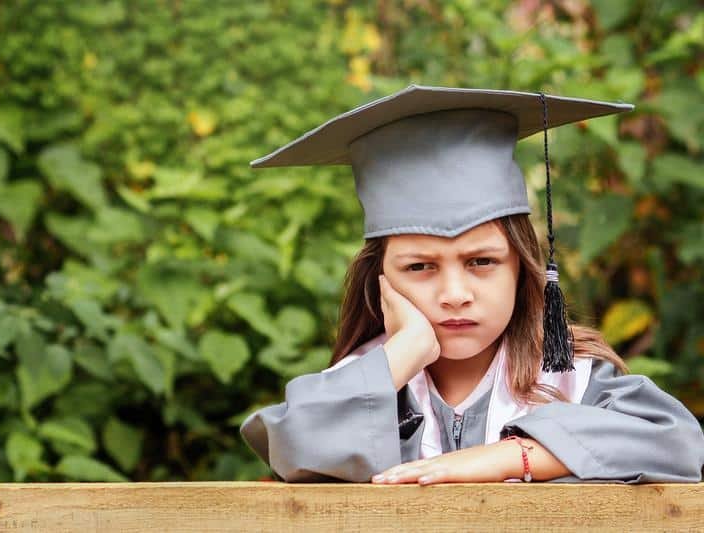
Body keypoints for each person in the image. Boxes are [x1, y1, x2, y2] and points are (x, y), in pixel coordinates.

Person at [239, 85, 704, 484]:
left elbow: (676, 441)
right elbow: (293, 444)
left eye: (482, 261)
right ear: (379, 279)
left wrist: (509, 457)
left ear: (521, 267)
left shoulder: (569, 379)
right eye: (419, 267)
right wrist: (403, 353)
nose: (455, 293)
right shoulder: (367, 382)